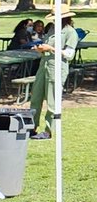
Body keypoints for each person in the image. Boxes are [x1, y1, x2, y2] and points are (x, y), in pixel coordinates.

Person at [29, 9, 79, 140]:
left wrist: (50, 48)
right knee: (35, 98)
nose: (53, 20)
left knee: (52, 101)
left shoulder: (70, 32)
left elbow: (69, 54)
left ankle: (48, 130)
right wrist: (40, 49)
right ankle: (31, 127)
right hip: (43, 66)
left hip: (57, 68)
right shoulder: (51, 29)